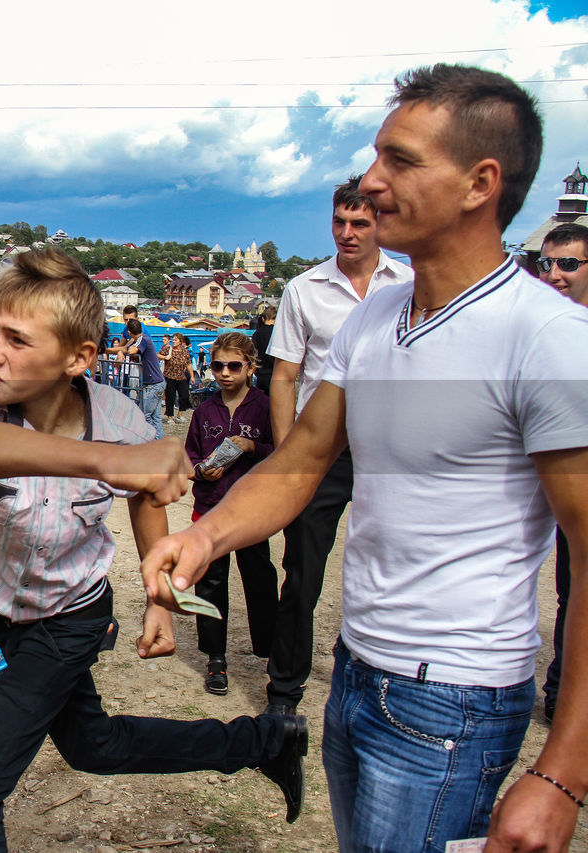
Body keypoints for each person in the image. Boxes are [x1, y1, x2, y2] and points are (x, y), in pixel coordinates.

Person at [143, 64, 588, 852]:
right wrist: (205, 537)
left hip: (456, 699)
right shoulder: (377, 314)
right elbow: (302, 458)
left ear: (480, 182)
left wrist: (561, 771)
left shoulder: (547, 337)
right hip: (357, 671)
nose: (373, 183)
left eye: (401, 160)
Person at [0, 248, 309, 851]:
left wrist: (163, 599)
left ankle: (266, 739)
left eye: (18, 341)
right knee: (95, 748)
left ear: (79, 357)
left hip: (72, 619)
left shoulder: (119, 416)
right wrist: (109, 459)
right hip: (7, 616)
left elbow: (147, 499)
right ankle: (266, 741)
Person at [261, 176, 414, 716]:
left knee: (390, 568)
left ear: (380, 224)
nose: (347, 234)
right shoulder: (304, 288)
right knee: (302, 573)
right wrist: (286, 456)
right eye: (339, 223)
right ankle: (284, 691)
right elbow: (284, 376)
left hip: (389, 448)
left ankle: (386, 679)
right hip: (321, 447)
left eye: (360, 223)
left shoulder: (410, 284)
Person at [183, 332, 277, 696]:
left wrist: (253, 445)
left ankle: (270, 650)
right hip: (210, 506)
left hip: (253, 508)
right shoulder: (205, 410)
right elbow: (190, 454)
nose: (224, 372)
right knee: (210, 583)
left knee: (259, 578)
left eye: (233, 365)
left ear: (250, 367)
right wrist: (200, 469)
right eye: (217, 365)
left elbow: (282, 451)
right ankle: (215, 658)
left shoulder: (267, 406)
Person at [535, 221, 588, 722]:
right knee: (568, 586)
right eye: (546, 262)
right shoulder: (534, 330)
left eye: (569, 263)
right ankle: (559, 691)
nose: (554, 273)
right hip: (551, 479)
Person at [160, 333, 191, 423]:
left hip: (181, 377)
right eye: (173, 339)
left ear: (180, 341)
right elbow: (157, 355)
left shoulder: (185, 351)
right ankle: (170, 417)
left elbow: (188, 364)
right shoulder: (168, 349)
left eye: (175, 340)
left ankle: (180, 414)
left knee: (185, 396)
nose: (173, 341)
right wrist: (165, 357)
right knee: (170, 397)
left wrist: (192, 376)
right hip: (169, 376)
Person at [250, 306, 276, 396]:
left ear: (263, 318)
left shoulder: (256, 334)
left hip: (261, 375)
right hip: (276, 374)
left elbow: (253, 355)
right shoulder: (277, 333)